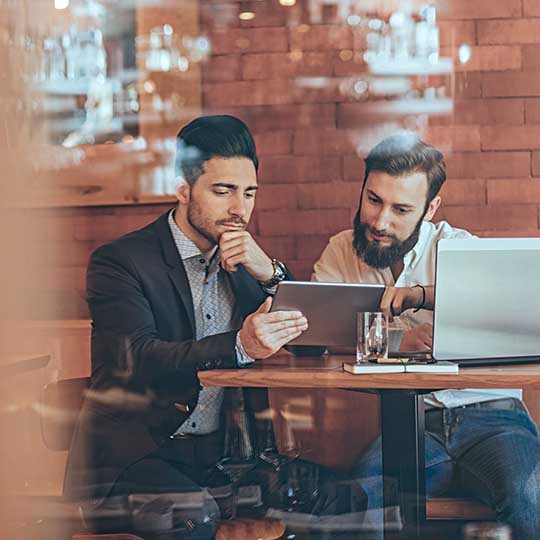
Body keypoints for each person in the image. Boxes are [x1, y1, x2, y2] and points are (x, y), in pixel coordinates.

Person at [63, 115, 308, 535]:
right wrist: (240, 347)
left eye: (249, 193)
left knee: (341, 498)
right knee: (196, 519)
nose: (239, 209)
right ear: (181, 188)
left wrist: (269, 271)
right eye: (223, 191)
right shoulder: (120, 261)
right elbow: (137, 358)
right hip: (135, 460)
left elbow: (310, 341)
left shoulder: (246, 264)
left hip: (225, 459)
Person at [312, 132, 540, 540]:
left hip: (493, 415)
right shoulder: (339, 252)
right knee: (363, 503)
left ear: (430, 208)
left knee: (531, 497)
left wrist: (424, 298)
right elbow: (314, 336)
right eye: (374, 200)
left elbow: (517, 325)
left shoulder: (459, 248)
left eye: (401, 209)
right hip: (409, 421)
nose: (380, 221)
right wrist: (400, 345)